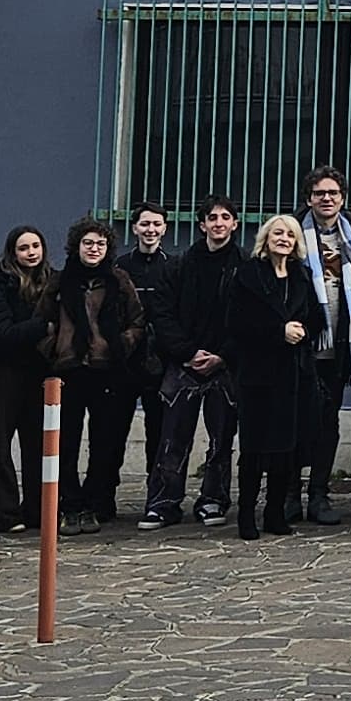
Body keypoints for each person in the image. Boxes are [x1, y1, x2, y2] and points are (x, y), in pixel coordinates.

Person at [143, 202, 245, 529]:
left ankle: (213, 500)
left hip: (225, 365)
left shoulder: (245, 266)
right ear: (201, 225)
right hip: (183, 364)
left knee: (221, 442)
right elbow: (161, 315)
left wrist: (223, 355)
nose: (218, 223)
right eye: (212, 218)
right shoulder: (179, 265)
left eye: (225, 217)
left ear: (235, 223)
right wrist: (187, 353)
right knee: (172, 439)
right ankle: (163, 503)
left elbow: (249, 317)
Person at [225, 215, 317, 538]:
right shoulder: (248, 275)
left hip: (292, 374)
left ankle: (275, 514)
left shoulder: (301, 276)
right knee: (253, 448)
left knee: (285, 449)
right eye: (278, 233)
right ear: (266, 238)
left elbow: (314, 318)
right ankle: (247, 515)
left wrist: (301, 331)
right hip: (257, 373)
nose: (284, 239)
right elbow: (235, 324)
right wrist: (279, 331)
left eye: (290, 235)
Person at [51, 219, 147, 532]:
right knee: (66, 441)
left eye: (100, 244)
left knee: (104, 442)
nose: (94, 249)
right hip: (69, 369)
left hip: (108, 369)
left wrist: (122, 343)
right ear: (76, 246)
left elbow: (137, 320)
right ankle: (70, 504)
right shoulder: (61, 281)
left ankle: (95, 502)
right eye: (88, 243)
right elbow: (41, 321)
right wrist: (54, 347)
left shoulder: (119, 281)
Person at [293, 169, 351, 527]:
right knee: (295, 420)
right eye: (320, 193)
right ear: (308, 198)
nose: (327, 198)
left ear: (343, 198)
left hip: (339, 348)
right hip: (301, 347)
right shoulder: (292, 233)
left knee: (327, 423)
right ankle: (289, 492)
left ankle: (319, 494)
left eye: (334, 193)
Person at [0, 225, 62, 536]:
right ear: (13, 253)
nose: (31, 252)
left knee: (37, 447)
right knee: (0, 448)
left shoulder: (53, 283)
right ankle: (5, 514)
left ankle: (37, 511)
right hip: (2, 376)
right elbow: (4, 335)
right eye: (24, 247)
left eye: (36, 246)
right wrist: (43, 325)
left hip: (40, 376)